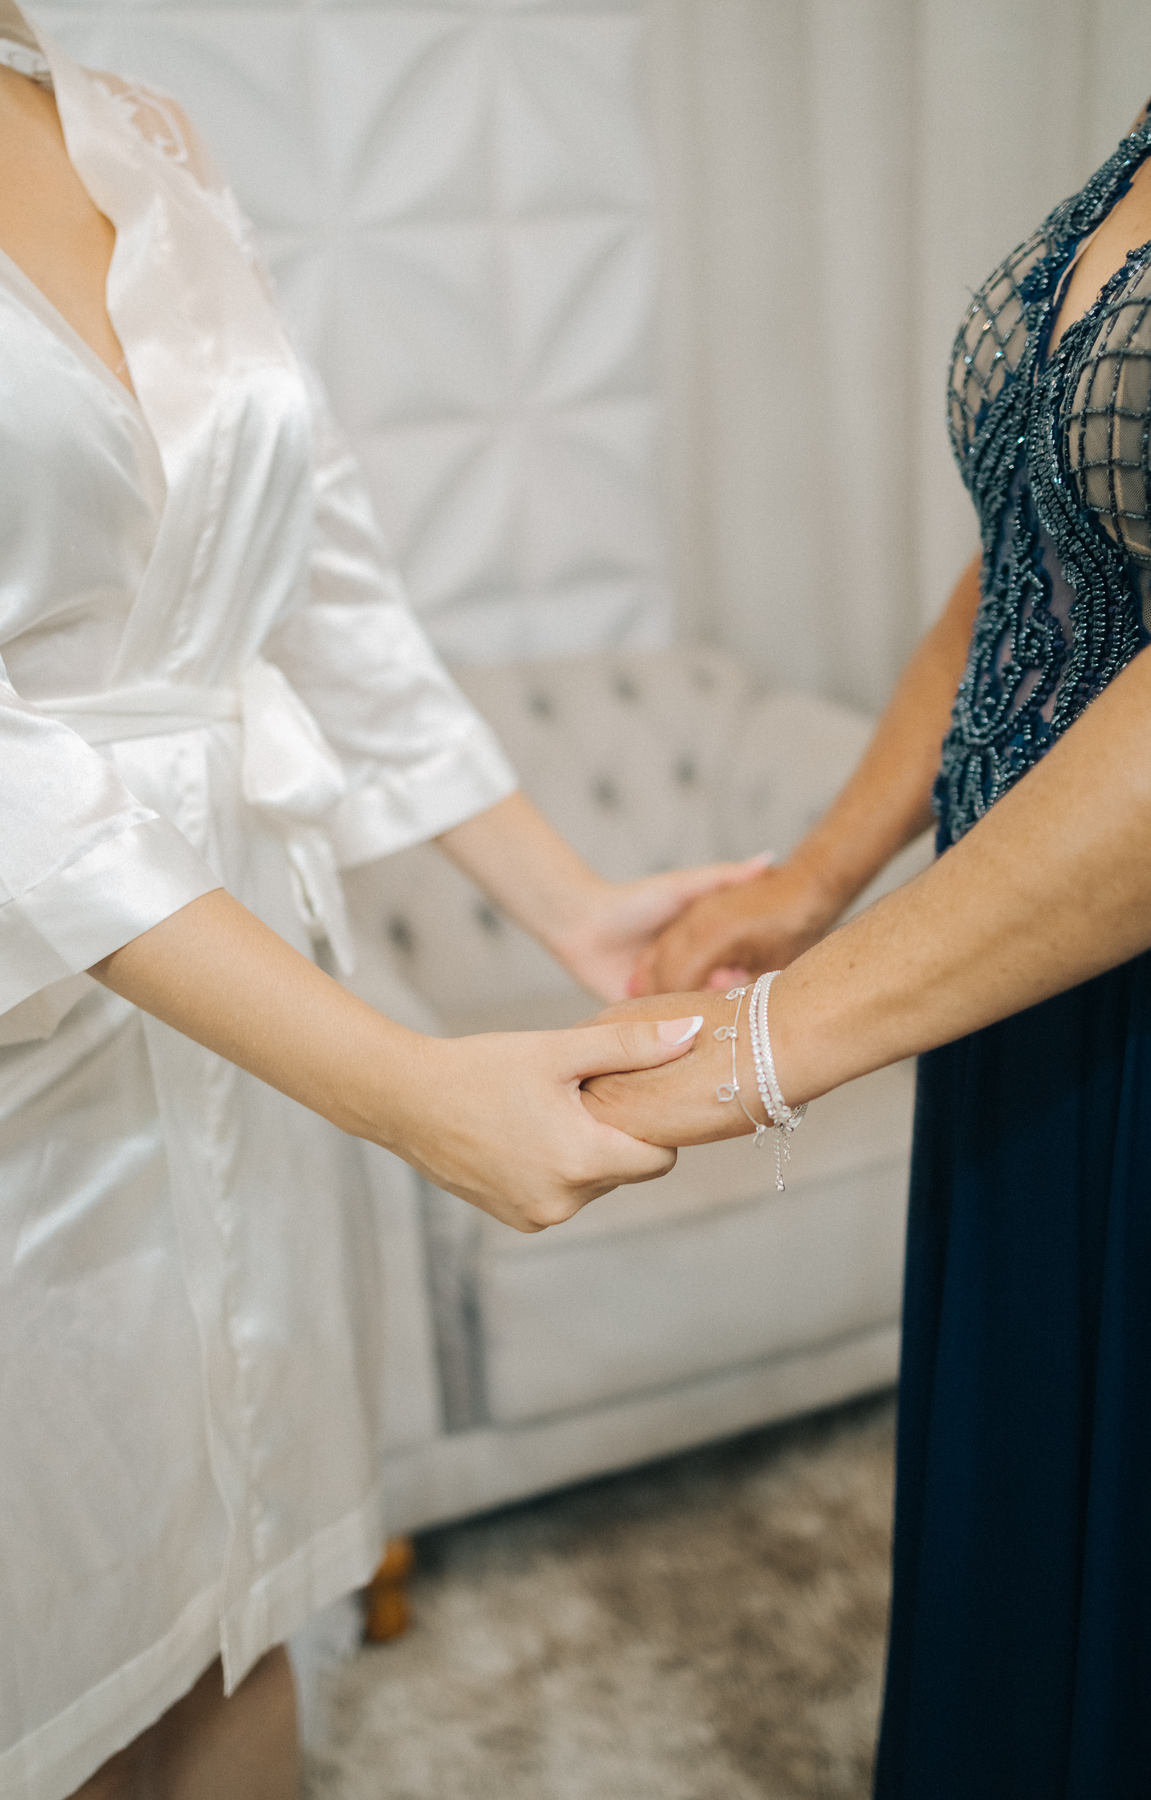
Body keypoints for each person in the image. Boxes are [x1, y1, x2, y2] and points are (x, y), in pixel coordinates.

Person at [0, 5, 766, 1795]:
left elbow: (314, 565)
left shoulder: (141, 133)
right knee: (26, 1652)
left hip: (254, 986)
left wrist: (568, 902)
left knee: (242, 1587)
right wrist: (401, 1086)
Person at [588, 90, 1151, 1800]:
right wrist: (821, 872)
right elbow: (1042, 550)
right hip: (1032, 968)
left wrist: (767, 1051)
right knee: (1021, 1513)